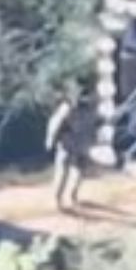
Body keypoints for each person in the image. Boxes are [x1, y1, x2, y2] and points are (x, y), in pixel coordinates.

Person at [45, 82, 93, 212]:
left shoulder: (89, 109)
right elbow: (55, 125)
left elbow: (92, 127)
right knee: (63, 172)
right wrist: (51, 140)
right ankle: (57, 199)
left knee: (80, 171)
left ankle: (73, 195)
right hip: (67, 144)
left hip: (81, 144)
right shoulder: (67, 108)